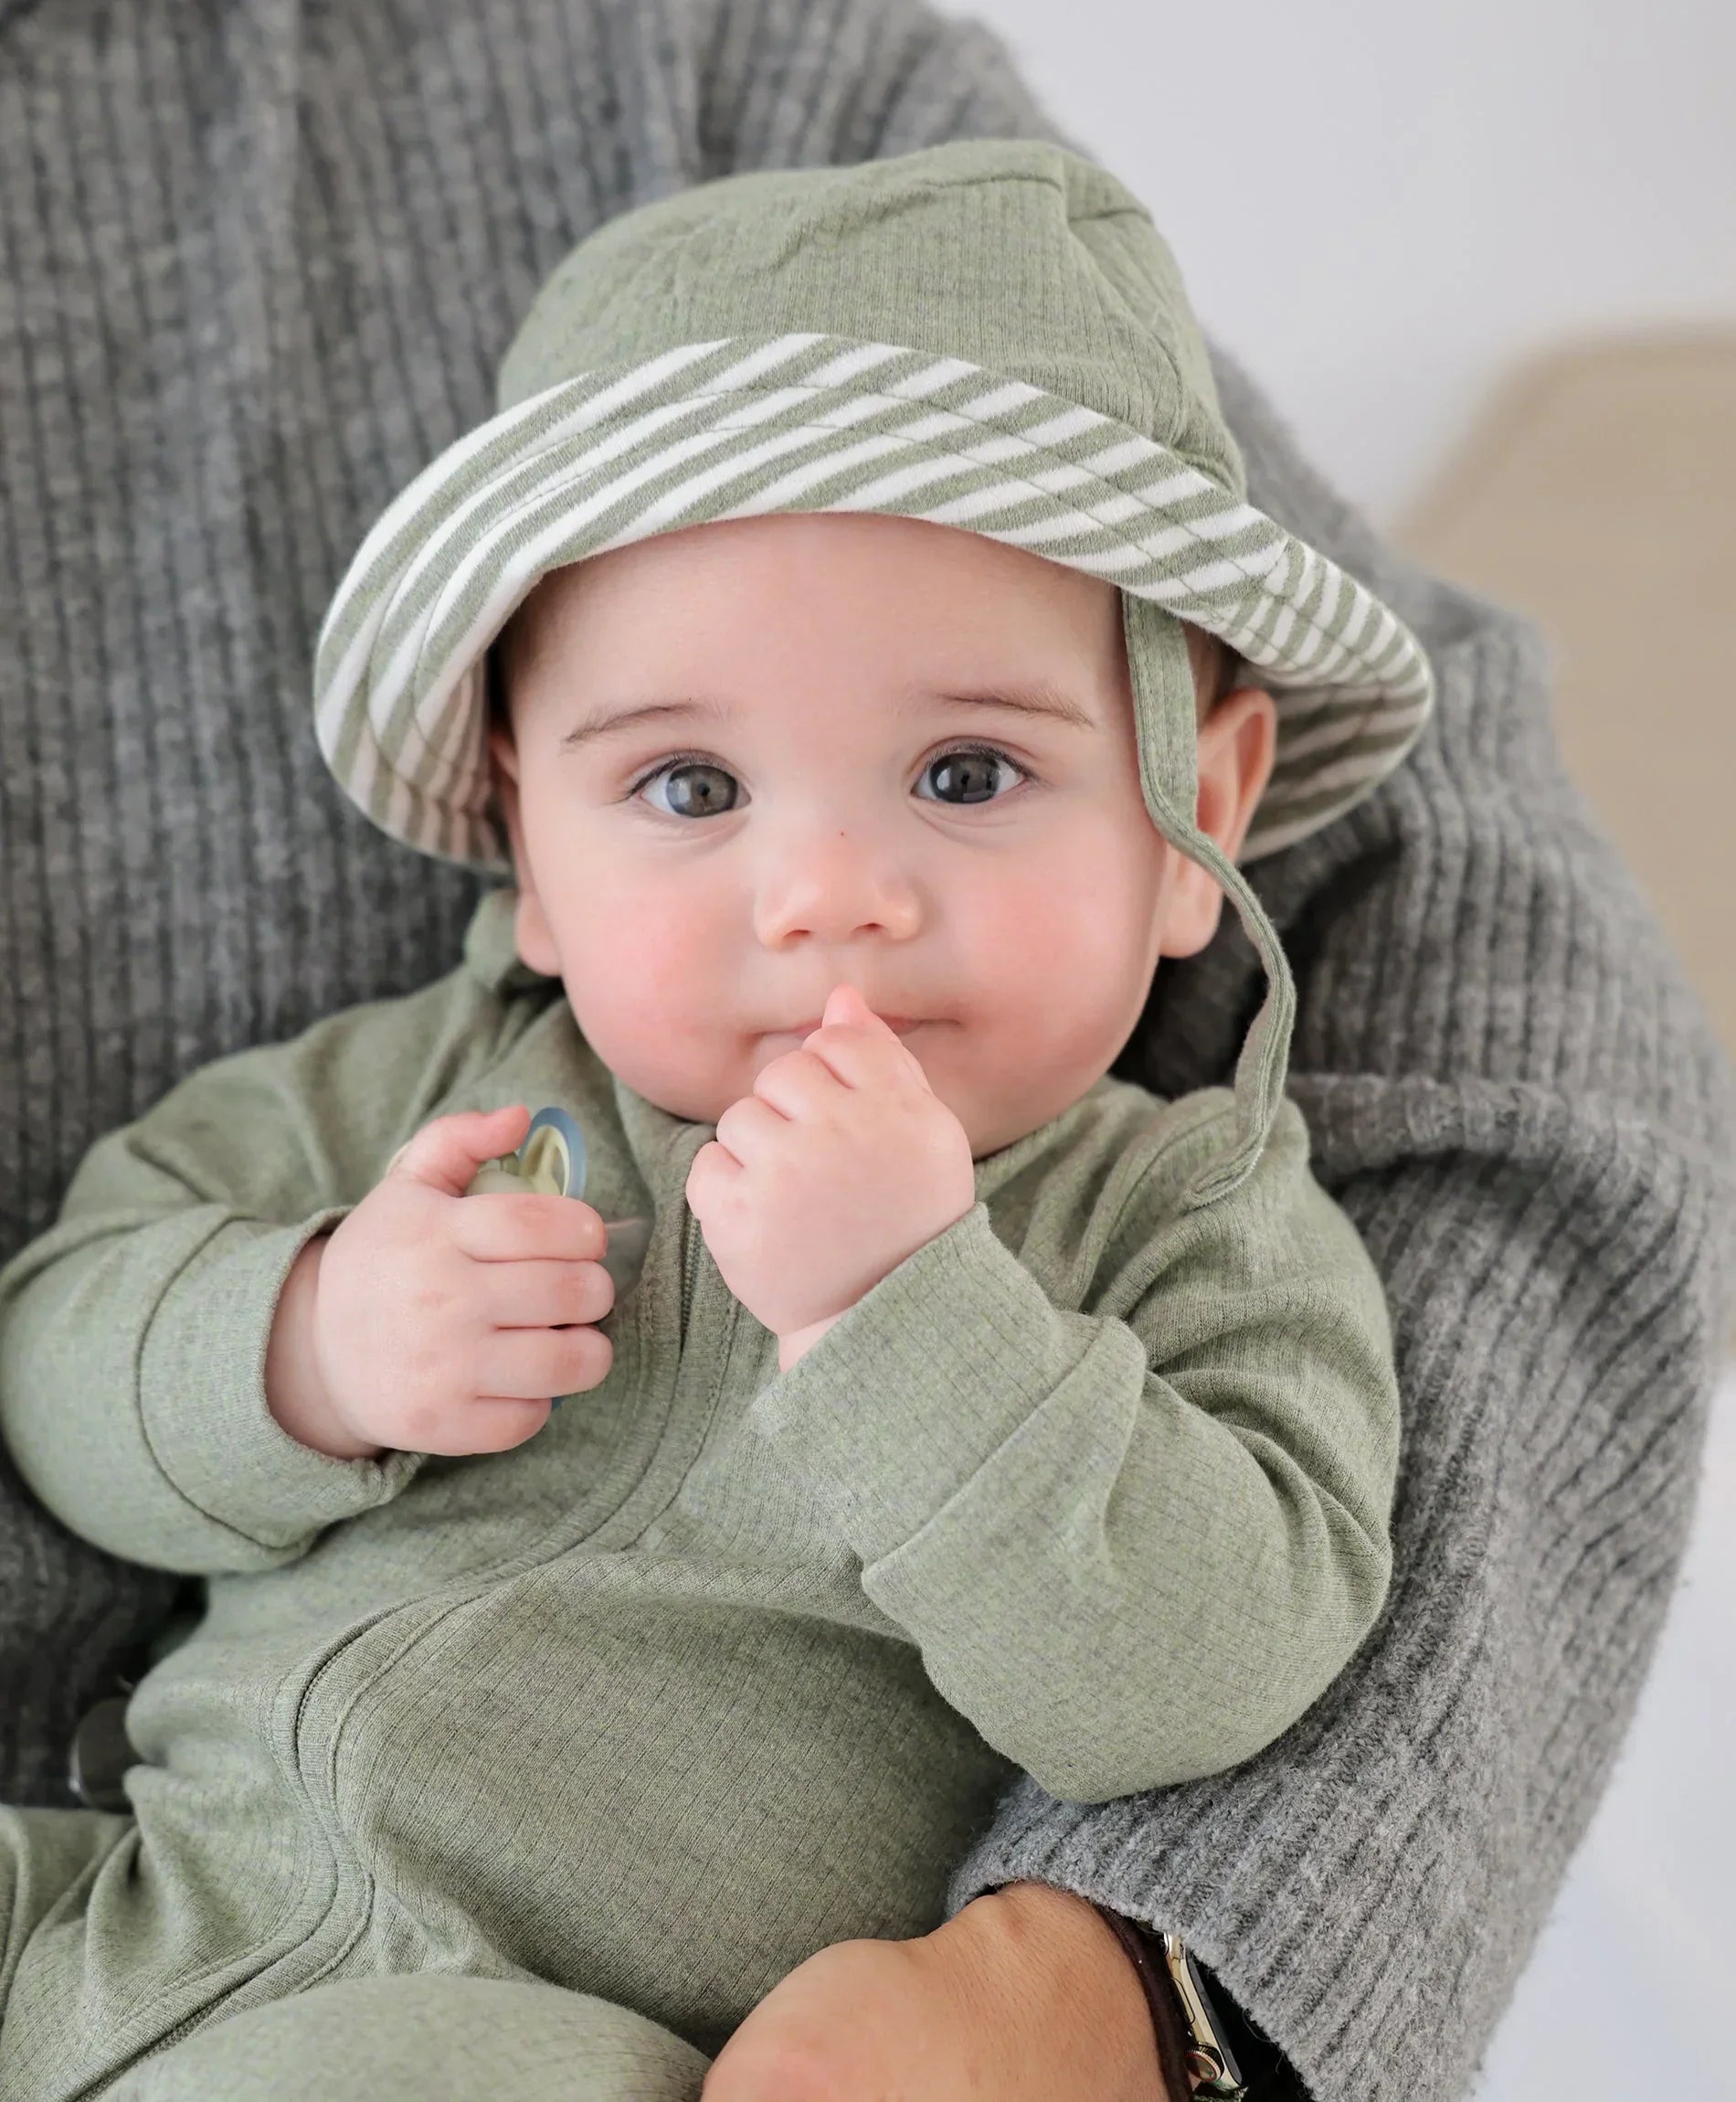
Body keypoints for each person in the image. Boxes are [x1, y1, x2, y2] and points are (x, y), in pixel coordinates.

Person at [0, 7, 1729, 2102]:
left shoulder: (1174, 1224)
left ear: (1201, 809)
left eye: (967, 768)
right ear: (522, 847)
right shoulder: (422, 1104)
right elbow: (64, 1342)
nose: (826, 890)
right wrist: (292, 1339)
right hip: (127, 1904)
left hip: (540, 2026)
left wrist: (912, 1312)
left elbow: (1197, 1672)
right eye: (686, 789)